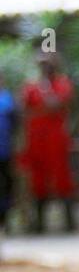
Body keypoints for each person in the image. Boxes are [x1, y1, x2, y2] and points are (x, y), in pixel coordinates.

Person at [19, 52, 76, 233]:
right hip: (36, 138)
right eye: (42, 64)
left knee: (62, 176)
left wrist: (45, 93)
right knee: (38, 178)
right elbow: (24, 106)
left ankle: (69, 223)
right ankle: (40, 224)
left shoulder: (62, 83)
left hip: (56, 137)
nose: (45, 68)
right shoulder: (31, 86)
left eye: (48, 64)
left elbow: (56, 104)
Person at [0, 72, 17, 232]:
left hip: (4, 151)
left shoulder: (7, 99)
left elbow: (15, 125)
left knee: (6, 186)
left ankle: (6, 220)